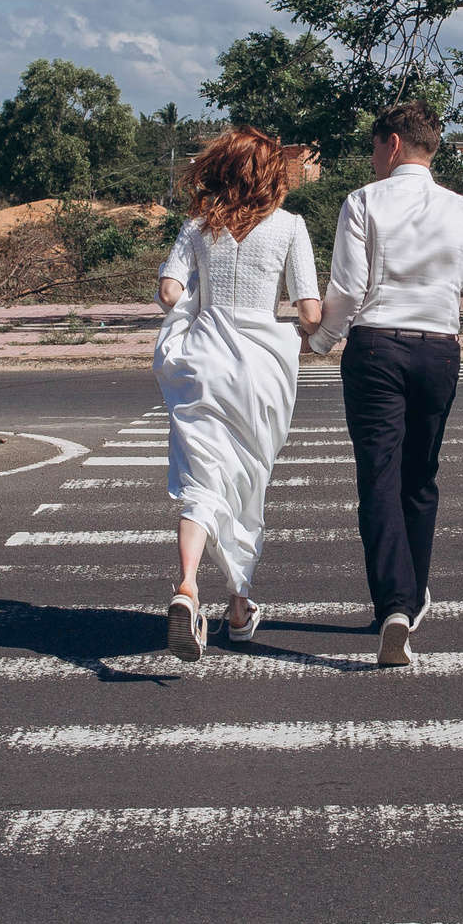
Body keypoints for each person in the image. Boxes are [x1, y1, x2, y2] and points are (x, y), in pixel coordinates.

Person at [304, 101, 463, 666]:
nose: (372, 158)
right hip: (439, 354)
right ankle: (413, 599)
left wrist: (319, 342)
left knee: (379, 478)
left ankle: (394, 605)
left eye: (374, 147)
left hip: (375, 350)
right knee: (420, 478)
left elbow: (346, 290)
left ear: (392, 143)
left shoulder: (363, 202)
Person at [154, 128, 323, 662]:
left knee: (202, 477)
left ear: (221, 169)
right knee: (248, 481)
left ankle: (186, 586)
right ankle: (237, 605)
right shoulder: (292, 228)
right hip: (261, 370)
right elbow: (310, 313)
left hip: (205, 358)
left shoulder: (197, 227)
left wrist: (194, 301)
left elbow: (168, 292)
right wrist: (305, 337)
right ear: (274, 174)